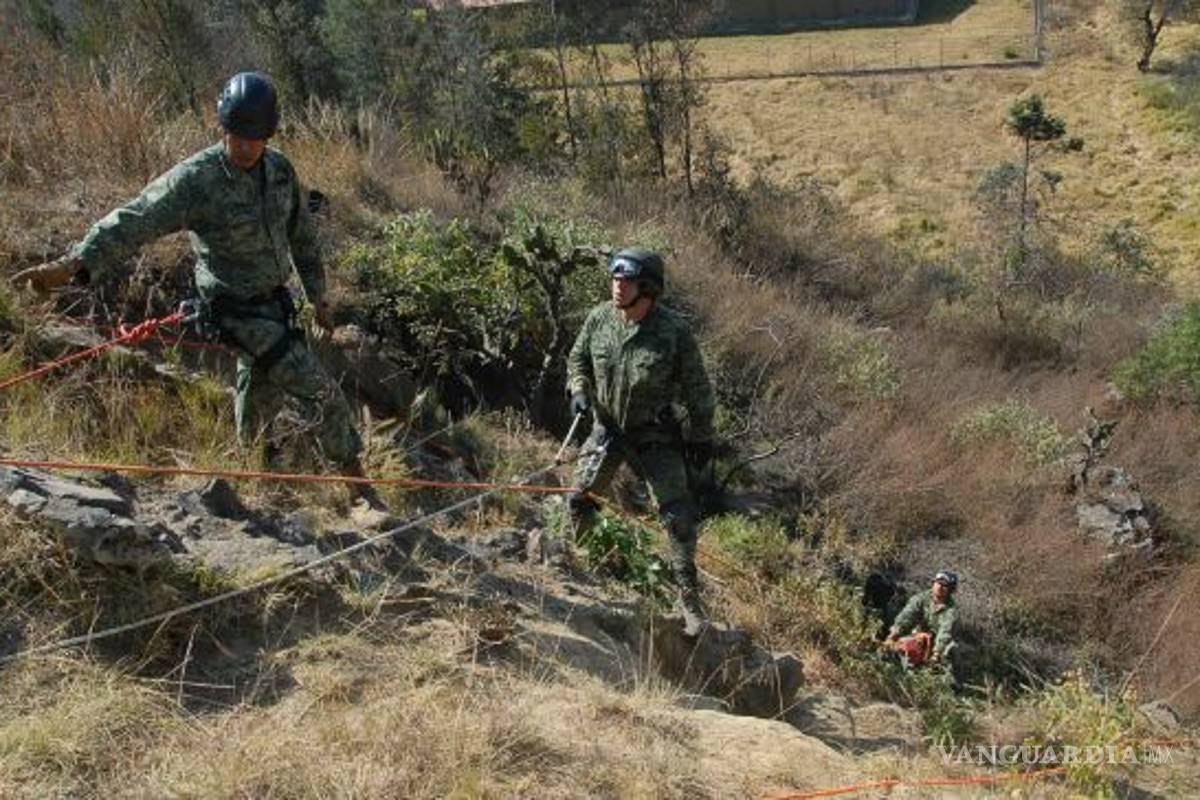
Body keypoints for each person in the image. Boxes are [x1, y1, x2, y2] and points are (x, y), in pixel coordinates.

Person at [11, 72, 381, 508]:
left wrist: (317, 294)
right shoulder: (196, 180)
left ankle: (262, 484)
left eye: (254, 137)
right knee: (319, 389)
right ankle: (361, 495)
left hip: (275, 306)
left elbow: (301, 234)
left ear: (269, 133)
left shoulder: (279, 170)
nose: (245, 146)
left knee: (259, 394)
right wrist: (75, 264)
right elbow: (136, 217)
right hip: (231, 310)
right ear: (222, 127)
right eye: (236, 135)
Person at [565, 247, 716, 636]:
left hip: (654, 437)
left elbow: (699, 389)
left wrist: (702, 436)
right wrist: (579, 389)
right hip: (608, 430)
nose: (617, 287)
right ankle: (583, 566)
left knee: (678, 520)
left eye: (626, 280)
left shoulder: (674, 332)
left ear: (647, 287)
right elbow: (578, 359)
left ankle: (689, 603)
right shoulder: (600, 319)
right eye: (615, 279)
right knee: (579, 499)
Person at [885, 570, 959, 669]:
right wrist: (893, 635)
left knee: (952, 652)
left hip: (938, 643)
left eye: (945, 586)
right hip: (918, 635)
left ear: (950, 590)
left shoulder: (951, 611)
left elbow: (945, 632)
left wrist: (936, 655)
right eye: (938, 583)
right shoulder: (920, 598)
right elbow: (907, 615)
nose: (940, 587)